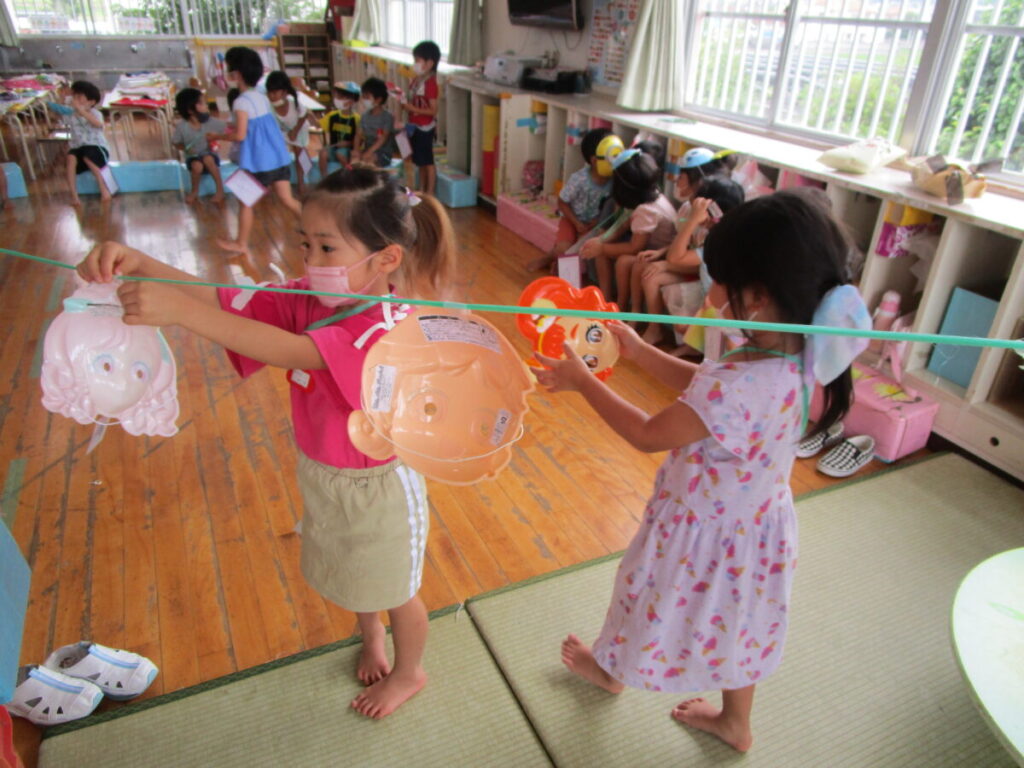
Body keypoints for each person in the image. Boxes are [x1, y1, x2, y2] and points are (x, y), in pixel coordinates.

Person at [75, 167, 458, 720]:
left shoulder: (385, 328)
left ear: (386, 259)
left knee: (395, 587)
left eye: (327, 247)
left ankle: (409, 671)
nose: (311, 259)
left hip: (379, 488)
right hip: (324, 471)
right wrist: (141, 262)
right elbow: (229, 298)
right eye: (306, 244)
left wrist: (181, 313)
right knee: (356, 571)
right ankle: (371, 635)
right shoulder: (313, 297)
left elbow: (292, 351)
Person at [533, 190, 865, 753]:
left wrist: (582, 382)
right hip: (754, 530)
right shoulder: (798, 350)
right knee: (742, 624)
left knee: (640, 595)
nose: (713, 293)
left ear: (757, 296)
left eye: (721, 282)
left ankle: (612, 671)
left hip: (699, 533)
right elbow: (704, 386)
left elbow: (648, 433)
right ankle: (736, 722)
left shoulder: (744, 383)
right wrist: (638, 351)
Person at [208, 47, 301, 256]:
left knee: (245, 202)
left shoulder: (240, 101)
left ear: (237, 74)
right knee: (288, 200)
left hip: (259, 162)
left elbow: (240, 135)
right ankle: (314, 230)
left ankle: (241, 243)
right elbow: (257, 125)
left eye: (229, 68)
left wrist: (217, 136)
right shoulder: (261, 96)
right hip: (278, 158)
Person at [633, 176, 745, 344]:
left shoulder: (723, 239)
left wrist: (693, 220)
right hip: (710, 294)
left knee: (685, 326)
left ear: (712, 210)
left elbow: (675, 258)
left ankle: (699, 349)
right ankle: (677, 339)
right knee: (650, 275)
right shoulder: (719, 231)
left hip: (723, 307)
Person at [581, 149, 675, 304]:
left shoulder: (647, 209)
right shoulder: (646, 193)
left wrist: (602, 248)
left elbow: (635, 247)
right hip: (648, 248)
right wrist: (602, 240)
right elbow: (624, 224)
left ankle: (621, 304)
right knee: (601, 251)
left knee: (622, 261)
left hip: (659, 253)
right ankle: (604, 300)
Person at [526, 128, 613, 273]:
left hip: (594, 225)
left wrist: (597, 222)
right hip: (571, 219)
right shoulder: (579, 179)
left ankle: (560, 264)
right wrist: (576, 223)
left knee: (582, 251)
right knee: (563, 249)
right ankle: (549, 257)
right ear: (594, 160)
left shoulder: (614, 181)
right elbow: (562, 202)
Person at [265, 71, 318, 196]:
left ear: (284, 92)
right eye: (269, 93)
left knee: (300, 153)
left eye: (275, 92)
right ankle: (275, 183)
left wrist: (295, 131)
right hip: (282, 132)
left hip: (298, 128)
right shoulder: (269, 107)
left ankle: (301, 182)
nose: (272, 96)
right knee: (276, 154)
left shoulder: (294, 102)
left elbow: (303, 115)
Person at [398, 40, 441, 195]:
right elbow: (413, 99)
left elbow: (433, 110)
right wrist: (403, 100)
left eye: (417, 60)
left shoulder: (430, 83)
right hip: (414, 125)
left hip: (425, 127)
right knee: (420, 161)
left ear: (429, 63)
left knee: (427, 161)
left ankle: (429, 193)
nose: (414, 64)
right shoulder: (417, 80)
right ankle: (421, 189)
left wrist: (412, 108)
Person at [172, 87, 227, 204]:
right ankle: (194, 191)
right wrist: (186, 149)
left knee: (208, 158)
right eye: (202, 103)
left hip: (210, 155)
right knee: (197, 166)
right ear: (190, 110)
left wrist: (217, 138)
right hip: (193, 157)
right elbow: (176, 143)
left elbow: (227, 128)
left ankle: (220, 190)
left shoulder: (212, 122)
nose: (206, 105)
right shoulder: (182, 126)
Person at [64, 80, 113, 206]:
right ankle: (74, 196)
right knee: (70, 158)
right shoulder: (71, 114)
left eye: (79, 97)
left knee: (88, 156)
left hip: (97, 148)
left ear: (91, 102)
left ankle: (104, 189)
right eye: (74, 96)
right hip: (78, 147)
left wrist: (82, 112)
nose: (75, 99)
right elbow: (57, 116)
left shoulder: (95, 113)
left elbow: (98, 124)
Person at [352, 78, 396, 169]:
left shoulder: (387, 117)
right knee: (354, 161)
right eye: (363, 97)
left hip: (383, 153)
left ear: (378, 99)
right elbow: (358, 135)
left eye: (367, 97)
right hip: (367, 150)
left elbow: (383, 138)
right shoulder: (364, 116)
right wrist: (356, 150)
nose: (363, 100)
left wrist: (369, 152)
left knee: (369, 162)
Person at [319, 81, 361, 176]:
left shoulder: (357, 118)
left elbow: (360, 140)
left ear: (351, 101)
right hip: (333, 148)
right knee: (323, 152)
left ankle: (350, 175)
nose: (337, 99)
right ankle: (325, 178)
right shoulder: (332, 115)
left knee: (340, 154)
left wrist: (348, 143)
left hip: (348, 150)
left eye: (340, 97)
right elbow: (319, 125)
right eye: (336, 96)